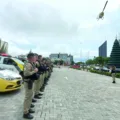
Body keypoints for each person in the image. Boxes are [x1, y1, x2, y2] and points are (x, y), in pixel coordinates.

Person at [23, 53, 38, 119]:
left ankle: (28, 109)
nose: (35, 58)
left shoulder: (32, 63)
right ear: (31, 58)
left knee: (30, 96)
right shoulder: (28, 64)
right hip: (28, 82)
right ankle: (25, 113)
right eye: (34, 57)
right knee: (27, 97)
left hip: (31, 82)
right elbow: (26, 73)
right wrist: (34, 71)